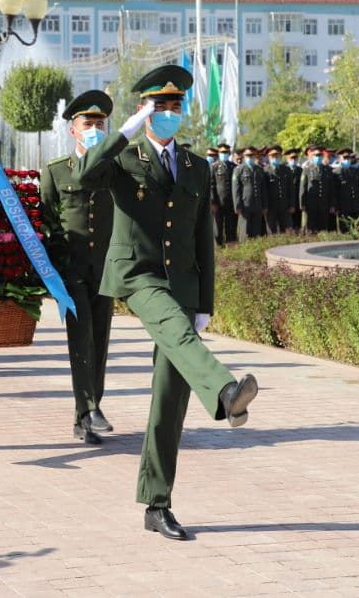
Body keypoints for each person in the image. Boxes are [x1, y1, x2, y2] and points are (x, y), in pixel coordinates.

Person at [75, 65, 257, 540]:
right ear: (144, 110)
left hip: (182, 283)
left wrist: (206, 302)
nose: (170, 114)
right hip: (138, 275)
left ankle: (157, 504)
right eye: (161, 107)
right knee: (174, 334)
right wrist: (122, 132)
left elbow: (203, 239)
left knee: (169, 397)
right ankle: (225, 392)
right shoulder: (124, 157)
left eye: (176, 107)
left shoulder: (196, 166)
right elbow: (84, 174)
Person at [41, 90, 116, 445]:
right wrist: (55, 267)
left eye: (101, 123)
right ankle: (88, 409)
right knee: (80, 338)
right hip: (71, 270)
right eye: (89, 122)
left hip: (107, 269)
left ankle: (85, 415)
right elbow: (47, 221)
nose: (95, 128)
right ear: (74, 129)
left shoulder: (116, 170)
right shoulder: (56, 171)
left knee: (99, 343)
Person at [299, 145, 338, 233]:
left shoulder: (328, 170)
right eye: (316, 155)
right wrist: (302, 203)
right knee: (311, 228)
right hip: (311, 203)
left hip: (324, 203)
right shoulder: (307, 169)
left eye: (320, 155)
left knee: (323, 227)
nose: (318, 157)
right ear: (312, 156)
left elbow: (332, 189)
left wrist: (332, 204)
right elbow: (303, 187)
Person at [231, 146, 267, 240]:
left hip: (258, 204)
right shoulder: (238, 170)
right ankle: (245, 251)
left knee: (256, 231)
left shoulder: (259, 169)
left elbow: (263, 189)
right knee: (245, 231)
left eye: (252, 155)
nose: (250, 157)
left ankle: (255, 250)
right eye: (248, 155)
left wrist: (265, 205)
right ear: (243, 156)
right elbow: (236, 189)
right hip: (245, 205)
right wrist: (237, 206)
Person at [210, 143, 238, 245]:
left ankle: (231, 248)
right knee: (217, 227)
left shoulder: (234, 167)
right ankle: (218, 247)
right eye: (222, 152)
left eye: (226, 152)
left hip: (231, 203)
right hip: (218, 203)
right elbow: (211, 185)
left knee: (231, 226)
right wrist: (213, 202)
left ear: (229, 153)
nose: (224, 154)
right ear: (219, 153)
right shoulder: (214, 167)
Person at [263, 146, 294, 234]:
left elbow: (291, 189)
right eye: (273, 156)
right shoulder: (265, 171)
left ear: (281, 156)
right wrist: (265, 206)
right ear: (269, 157)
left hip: (284, 205)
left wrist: (292, 205)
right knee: (271, 230)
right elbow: (263, 190)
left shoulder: (286, 170)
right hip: (271, 206)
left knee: (287, 229)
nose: (275, 158)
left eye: (277, 155)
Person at [335, 149, 359, 229]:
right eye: (345, 157)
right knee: (345, 230)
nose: (347, 160)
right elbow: (335, 191)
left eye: (349, 157)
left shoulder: (356, 171)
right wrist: (335, 205)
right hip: (344, 207)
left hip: (357, 205)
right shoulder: (336, 172)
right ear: (340, 158)